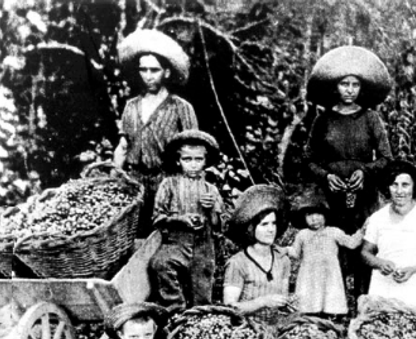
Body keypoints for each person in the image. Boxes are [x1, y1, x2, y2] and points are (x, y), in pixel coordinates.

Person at [305, 45, 394, 296]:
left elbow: (387, 157)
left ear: (362, 88)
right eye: (345, 84)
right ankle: (337, 302)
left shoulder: (370, 118)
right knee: (336, 246)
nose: (350, 90)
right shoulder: (323, 120)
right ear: (335, 87)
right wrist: (327, 176)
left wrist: (365, 171)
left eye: (355, 85)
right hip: (332, 197)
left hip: (364, 194)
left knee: (365, 243)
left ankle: (364, 300)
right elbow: (308, 159)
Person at [115, 29, 198, 236]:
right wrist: (114, 180)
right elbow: (123, 147)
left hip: (167, 181)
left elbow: (194, 151)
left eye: (154, 70)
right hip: (134, 183)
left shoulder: (180, 108)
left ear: (166, 73)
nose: (148, 76)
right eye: (144, 70)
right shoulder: (131, 107)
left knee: (167, 237)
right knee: (133, 239)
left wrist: (192, 190)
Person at [148, 130, 223, 314]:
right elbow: (157, 218)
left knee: (202, 295)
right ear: (178, 161)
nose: (193, 165)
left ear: (205, 162)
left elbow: (219, 225)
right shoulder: (169, 185)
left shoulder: (210, 189)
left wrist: (212, 208)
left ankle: (199, 321)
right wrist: (179, 220)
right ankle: (175, 310)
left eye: (198, 159)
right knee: (160, 264)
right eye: (187, 159)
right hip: (176, 242)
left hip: (203, 245)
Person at [361, 161, 416, 317]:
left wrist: (414, 269)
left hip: (414, 287)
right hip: (383, 287)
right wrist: (380, 263)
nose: (399, 191)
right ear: (387, 187)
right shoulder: (377, 218)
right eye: (394, 185)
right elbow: (366, 252)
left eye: (405, 185)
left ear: (414, 187)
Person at [223, 184, 295, 322]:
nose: (271, 229)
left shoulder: (282, 260)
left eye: (273, 223)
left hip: (276, 328)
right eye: (264, 224)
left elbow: (283, 301)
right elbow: (230, 309)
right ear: (251, 228)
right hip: (247, 329)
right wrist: (262, 302)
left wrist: (290, 304)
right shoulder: (237, 263)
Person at [287, 189, 363, 317]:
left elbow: (351, 243)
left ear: (326, 215)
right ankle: (310, 317)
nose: (314, 219)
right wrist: (284, 250)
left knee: (330, 295)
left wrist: (363, 231)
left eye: (318, 214)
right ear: (304, 217)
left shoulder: (333, 232)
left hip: (329, 272)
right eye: (309, 215)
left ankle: (332, 317)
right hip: (309, 273)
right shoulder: (302, 235)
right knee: (309, 297)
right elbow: (295, 253)